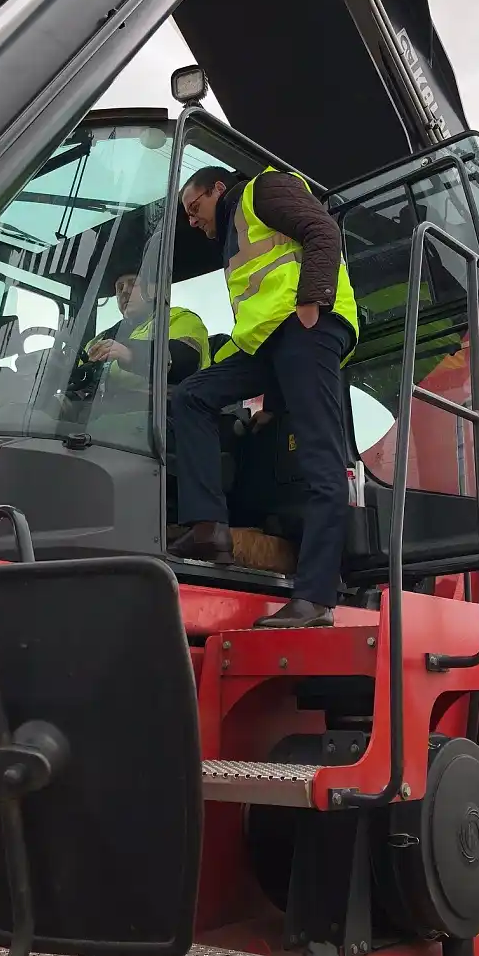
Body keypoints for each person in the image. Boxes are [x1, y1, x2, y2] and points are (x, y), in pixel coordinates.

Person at [170, 165, 359, 628]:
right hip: (270, 340)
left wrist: (313, 303)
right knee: (192, 397)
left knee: (320, 459)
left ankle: (315, 599)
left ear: (218, 189)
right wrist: (271, 405)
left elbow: (322, 231)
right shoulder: (234, 232)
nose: (193, 221)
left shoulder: (265, 190)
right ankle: (208, 528)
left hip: (306, 326)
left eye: (195, 208)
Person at [85, 269, 210, 388]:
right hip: (100, 409)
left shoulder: (178, 318)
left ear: (154, 289)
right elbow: (80, 378)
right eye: (120, 287)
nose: (124, 291)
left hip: (163, 408)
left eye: (133, 284)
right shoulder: (99, 340)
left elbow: (186, 360)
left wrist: (131, 354)